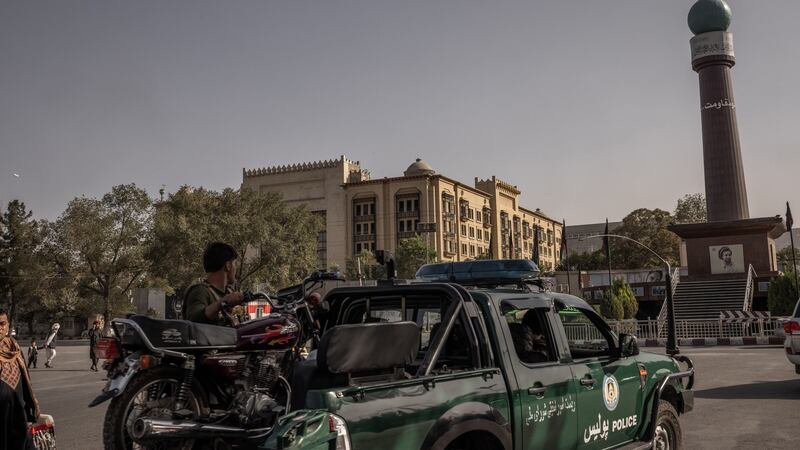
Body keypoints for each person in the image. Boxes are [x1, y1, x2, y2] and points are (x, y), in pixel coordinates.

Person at [0, 308, 39, 450]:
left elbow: (25, 380)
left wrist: (30, 411)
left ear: (8, 325)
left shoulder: (13, 347)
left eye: (2, 324)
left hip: (18, 415)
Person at [184, 242, 246, 325]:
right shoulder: (200, 291)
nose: (235, 269)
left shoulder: (229, 291)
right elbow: (193, 319)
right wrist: (224, 302)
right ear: (228, 265)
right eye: (234, 264)